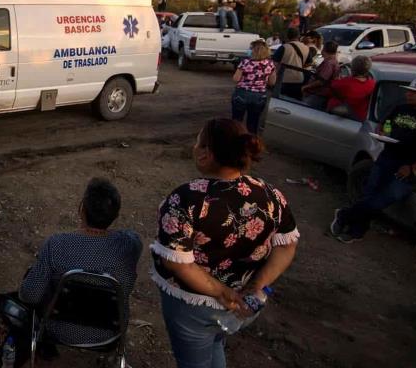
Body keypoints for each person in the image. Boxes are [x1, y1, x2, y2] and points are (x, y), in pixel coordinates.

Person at [153, 118, 299, 368]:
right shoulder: (271, 195)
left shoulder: (186, 199)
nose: (193, 146)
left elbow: (179, 264)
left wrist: (223, 292)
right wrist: (257, 285)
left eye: (197, 142)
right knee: (216, 341)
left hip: (194, 307)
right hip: (245, 306)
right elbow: (287, 245)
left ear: (205, 155)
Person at [18, 178, 142, 358]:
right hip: (110, 334)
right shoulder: (131, 245)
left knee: (34, 280)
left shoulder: (56, 245)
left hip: (57, 329)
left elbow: (30, 295)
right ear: (115, 215)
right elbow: (131, 235)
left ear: (81, 209)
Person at [332, 78, 416, 243]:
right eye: (408, 90)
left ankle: (344, 214)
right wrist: (384, 133)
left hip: (409, 168)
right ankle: (356, 231)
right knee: (369, 195)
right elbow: (386, 123)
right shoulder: (401, 108)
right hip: (387, 158)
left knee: (383, 199)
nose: (408, 94)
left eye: (413, 92)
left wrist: (414, 168)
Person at [232, 40, 277, 134]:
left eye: (251, 48)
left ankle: (235, 142)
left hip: (242, 93)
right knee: (253, 123)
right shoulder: (270, 64)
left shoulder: (245, 62)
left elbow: (236, 79)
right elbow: (272, 82)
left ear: (254, 50)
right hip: (259, 96)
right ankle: (251, 144)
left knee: (236, 122)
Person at [326, 55, 375, 120]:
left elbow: (330, 88)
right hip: (364, 117)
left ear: (352, 68)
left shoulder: (345, 83)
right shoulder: (373, 83)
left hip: (350, 118)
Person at [272, 28, 315, 100]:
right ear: (298, 36)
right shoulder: (306, 48)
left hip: (283, 79)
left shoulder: (284, 47)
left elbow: (274, 64)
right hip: (298, 79)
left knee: (280, 101)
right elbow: (309, 63)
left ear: (288, 36)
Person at [302, 41, 341, 109]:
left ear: (325, 50)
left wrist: (306, 87)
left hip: (318, 94)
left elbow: (321, 81)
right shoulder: (334, 62)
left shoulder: (328, 63)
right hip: (322, 94)